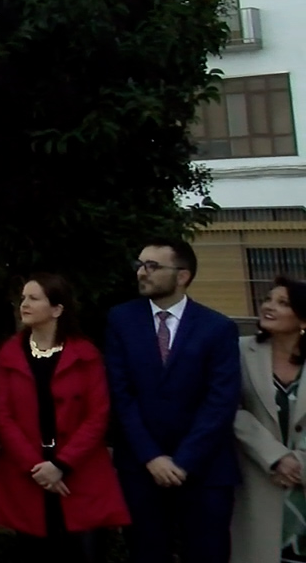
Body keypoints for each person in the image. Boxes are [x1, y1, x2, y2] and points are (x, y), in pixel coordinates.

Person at [107, 239, 243, 563]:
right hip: (141, 469)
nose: (142, 272)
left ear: (182, 276)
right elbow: (120, 394)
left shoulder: (218, 327)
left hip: (205, 471)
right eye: (140, 264)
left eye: (152, 266)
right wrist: (152, 456)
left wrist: (183, 461)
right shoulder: (120, 320)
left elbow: (221, 401)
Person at [0, 274, 130, 561]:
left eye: (34, 298)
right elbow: (3, 416)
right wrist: (38, 467)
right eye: (24, 298)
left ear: (57, 309)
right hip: (28, 474)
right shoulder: (9, 355)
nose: (24, 304)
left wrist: (62, 465)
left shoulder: (86, 355)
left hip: (80, 473)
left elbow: (97, 415)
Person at [230, 275, 306, 563]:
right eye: (268, 300)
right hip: (258, 479)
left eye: (282, 303)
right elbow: (228, 408)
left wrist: (299, 462)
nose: (269, 307)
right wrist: (276, 456)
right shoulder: (239, 350)